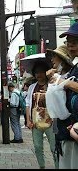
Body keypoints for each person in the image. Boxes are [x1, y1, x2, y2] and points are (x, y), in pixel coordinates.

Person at [46, 22, 78, 169]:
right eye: (68, 43)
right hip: (66, 131)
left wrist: (62, 81)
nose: (71, 46)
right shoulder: (71, 72)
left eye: (74, 42)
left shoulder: (66, 77)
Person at [25, 61, 58, 169]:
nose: (39, 75)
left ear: (46, 72)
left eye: (41, 72)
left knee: (54, 147)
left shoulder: (52, 85)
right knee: (38, 146)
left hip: (51, 121)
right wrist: (28, 120)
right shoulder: (32, 87)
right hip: (36, 121)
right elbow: (28, 104)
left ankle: (58, 166)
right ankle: (42, 166)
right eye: (37, 72)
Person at [45, 45, 73, 136]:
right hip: (59, 124)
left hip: (70, 124)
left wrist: (60, 81)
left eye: (54, 57)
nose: (52, 60)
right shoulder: (57, 76)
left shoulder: (71, 76)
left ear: (62, 59)